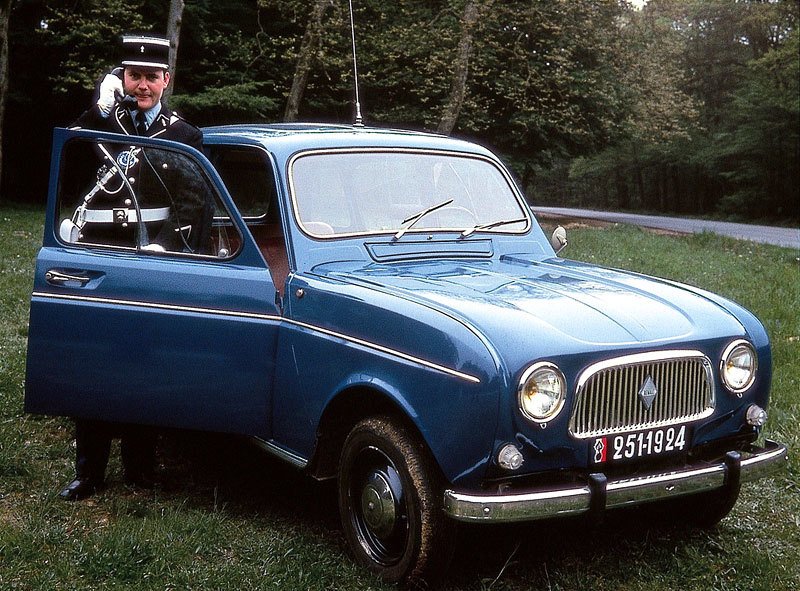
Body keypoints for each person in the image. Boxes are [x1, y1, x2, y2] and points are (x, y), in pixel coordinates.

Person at [59, 34, 208, 501]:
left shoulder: (184, 135)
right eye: (133, 76)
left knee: (145, 357)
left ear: (166, 80)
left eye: (151, 77)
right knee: (95, 356)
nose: (141, 85)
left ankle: (142, 465)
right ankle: (90, 470)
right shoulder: (106, 121)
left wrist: (168, 246)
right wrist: (95, 114)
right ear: (122, 78)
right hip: (103, 252)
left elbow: (192, 201)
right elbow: (69, 163)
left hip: (152, 256)